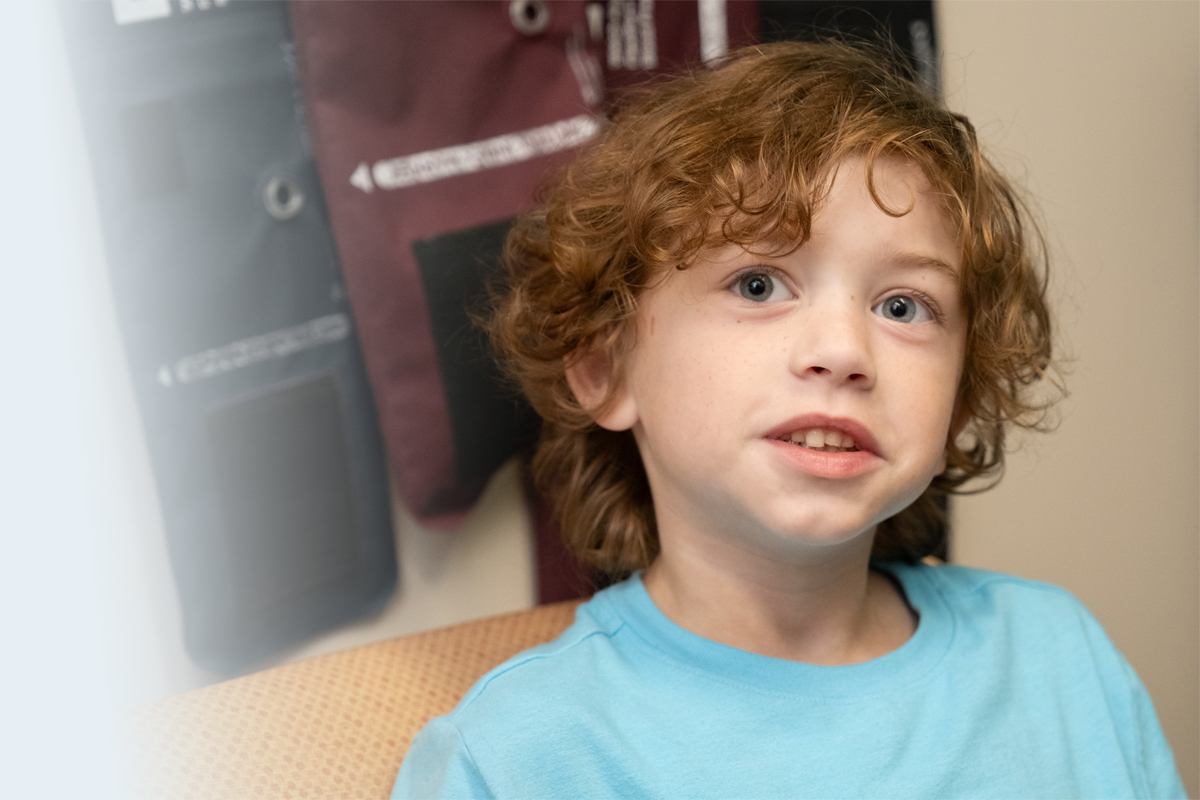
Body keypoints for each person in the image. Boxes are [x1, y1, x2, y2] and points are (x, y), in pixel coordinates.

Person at [392, 40, 1185, 799]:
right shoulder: (519, 758)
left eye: (903, 306)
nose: (843, 351)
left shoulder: (1058, 657)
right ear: (605, 364)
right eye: (759, 285)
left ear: (959, 406)